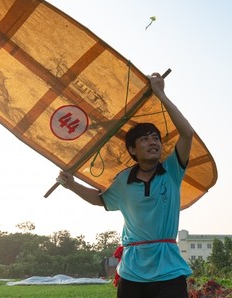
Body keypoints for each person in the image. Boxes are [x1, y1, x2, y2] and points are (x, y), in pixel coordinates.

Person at [56, 72, 193, 298]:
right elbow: (101, 199)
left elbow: (186, 134)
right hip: (132, 271)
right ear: (132, 150)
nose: (153, 143)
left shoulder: (171, 171)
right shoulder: (123, 180)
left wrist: (160, 93)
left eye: (156, 138)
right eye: (145, 139)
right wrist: (71, 185)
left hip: (169, 267)